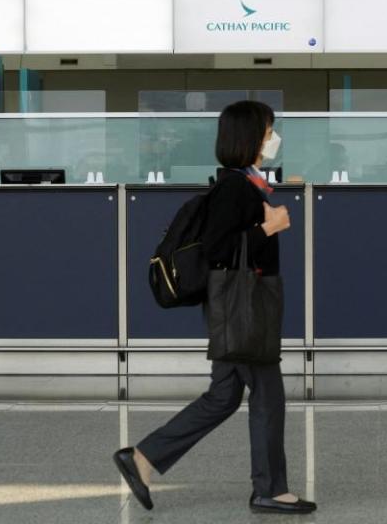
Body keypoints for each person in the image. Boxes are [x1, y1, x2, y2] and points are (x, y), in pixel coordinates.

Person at [113, 101, 317, 515]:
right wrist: (269, 228)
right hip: (241, 307)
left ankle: (143, 458)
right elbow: (219, 251)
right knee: (267, 395)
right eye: (267, 131)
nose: (272, 139)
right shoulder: (234, 188)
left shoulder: (241, 184)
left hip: (233, 307)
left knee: (223, 396)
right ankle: (270, 489)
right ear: (249, 138)